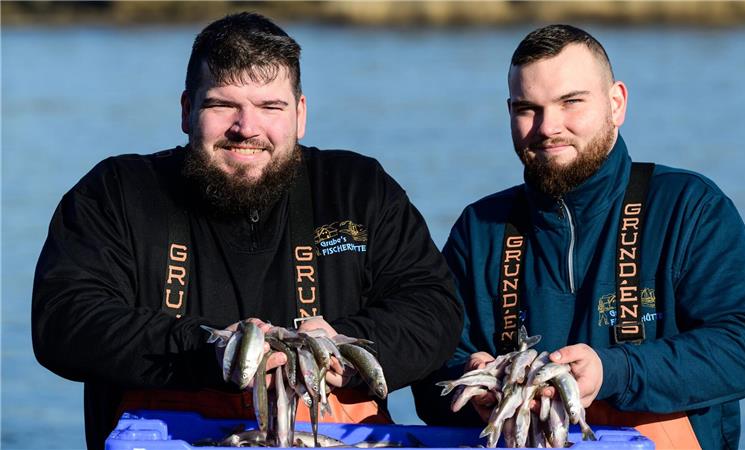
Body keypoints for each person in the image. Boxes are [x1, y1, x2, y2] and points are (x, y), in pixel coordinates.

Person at [32, 12, 462, 450]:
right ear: (186, 110)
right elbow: (64, 320)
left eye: (270, 107)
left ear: (300, 114)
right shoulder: (116, 192)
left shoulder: (359, 188)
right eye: (223, 105)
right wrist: (211, 350)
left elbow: (433, 309)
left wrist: (346, 350)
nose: (246, 128)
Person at [412, 24, 745, 450]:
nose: (548, 127)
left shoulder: (690, 207)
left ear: (616, 103)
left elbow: (741, 350)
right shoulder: (480, 228)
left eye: (570, 103)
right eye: (527, 108)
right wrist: (471, 388)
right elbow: (430, 373)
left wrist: (613, 371)